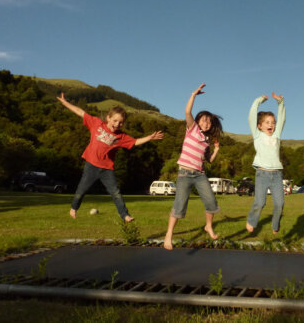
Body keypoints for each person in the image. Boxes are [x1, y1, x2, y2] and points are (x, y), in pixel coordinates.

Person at [56, 92, 163, 222]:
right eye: (115, 120)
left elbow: (135, 142)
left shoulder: (121, 137)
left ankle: (125, 215)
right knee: (81, 190)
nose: (117, 124)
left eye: (121, 122)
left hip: (107, 169)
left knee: (115, 192)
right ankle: (74, 208)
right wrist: (65, 102)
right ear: (108, 118)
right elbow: (80, 112)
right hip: (91, 165)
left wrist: (150, 138)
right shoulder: (96, 123)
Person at [163, 83, 223, 250]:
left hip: (200, 175)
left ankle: (208, 226)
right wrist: (193, 94)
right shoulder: (192, 129)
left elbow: (209, 160)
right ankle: (169, 235)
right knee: (179, 206)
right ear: (198, 121)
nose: (206, 123)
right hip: (184, 174)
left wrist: (216, 149)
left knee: (211, 202)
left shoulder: (206, 141)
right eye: (204, 120)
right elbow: (187, 112)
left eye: (209, 122)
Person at [245, 92, 286, 234]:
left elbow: (282, 119)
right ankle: (251, 220)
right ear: (259, 126)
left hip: (277, 175)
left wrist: (280, 103)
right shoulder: (257, 135)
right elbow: (251, 116)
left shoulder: (276, 135)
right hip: (262, 174)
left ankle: (275, 225)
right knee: (260, 202)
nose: (271, 125)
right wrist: (258, 101)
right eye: (267, 123)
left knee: (280, 204)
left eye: (273, 123)